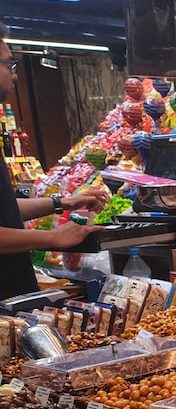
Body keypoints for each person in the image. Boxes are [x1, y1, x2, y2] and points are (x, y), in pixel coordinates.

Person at [0, 24, 105, 297]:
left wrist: (61, 203)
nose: (14, 75)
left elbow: (5, 209)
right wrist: (53, 237)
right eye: (9, 64)